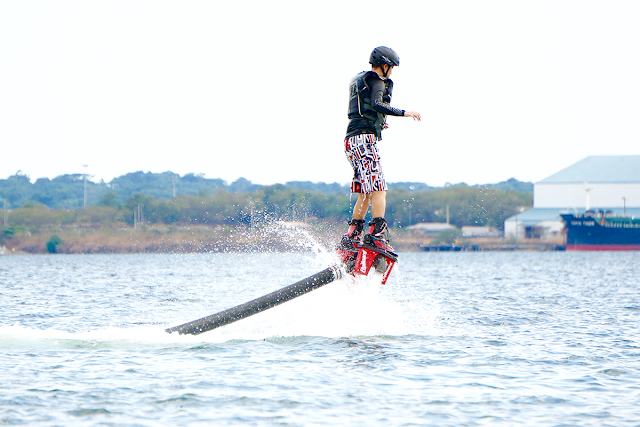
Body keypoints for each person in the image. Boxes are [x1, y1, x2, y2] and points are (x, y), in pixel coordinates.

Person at [340, 46, 421, 256]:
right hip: (365, 140)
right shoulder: (376, 80)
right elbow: (377, 104)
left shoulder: (362, 80)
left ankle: (352, 235)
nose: (391, 72)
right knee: (379, 188)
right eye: (391, 68)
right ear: (384, 65)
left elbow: (367, 108)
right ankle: (376, 235)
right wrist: (405, 113)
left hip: (351, 141)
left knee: (366, 191)